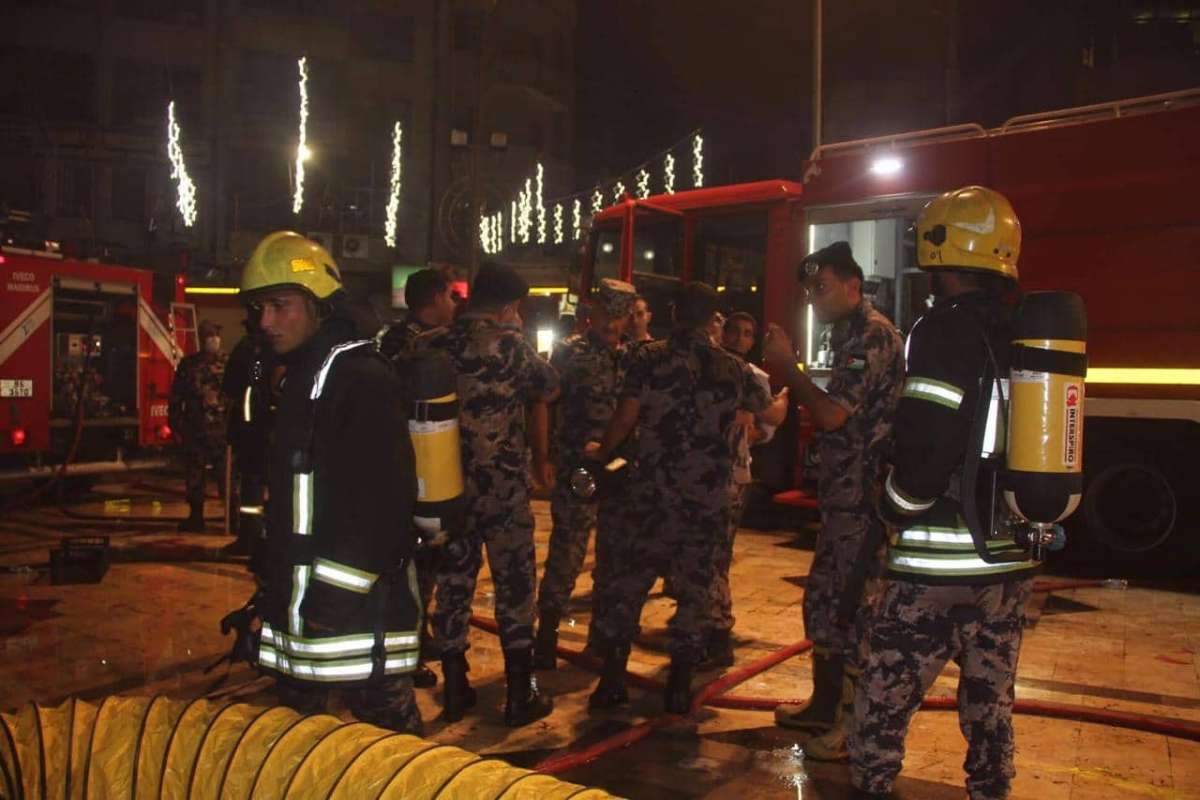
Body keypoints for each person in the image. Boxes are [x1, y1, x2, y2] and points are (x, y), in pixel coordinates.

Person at [850, 187, 1039, 800]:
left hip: (936, 565)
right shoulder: (1024, 329)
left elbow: (927, 449)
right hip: (1008, 562)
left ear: (939, 250)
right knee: (990, 706)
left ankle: (871, 788)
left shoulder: (941, 331)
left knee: (883, 695)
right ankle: (992, 790)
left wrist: (890, 508)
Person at [239, 231, 423, 733]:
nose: (266, 322)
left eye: (280, 306)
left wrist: (331, 599)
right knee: (303, 754)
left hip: (355, 617)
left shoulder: (359, 375)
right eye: (260, 308)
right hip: (306, 614)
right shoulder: (306, 373)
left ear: (319, 304)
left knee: (395, 758)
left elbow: (380, 504)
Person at [585, 282, 780, 713]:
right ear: (713, 320)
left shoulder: (646, 357)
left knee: (630, 585)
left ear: (674, 313)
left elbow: (626, 415)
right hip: (705, 499)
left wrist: (604, 451)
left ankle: (613, 680)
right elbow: (766, 412)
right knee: (694, 591)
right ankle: (678, 685)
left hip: (651, 493)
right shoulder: (733, 368)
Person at [762, 241, 905, 760]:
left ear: (853, 285)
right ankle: (824, 706)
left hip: (864, 502)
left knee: (854, 609)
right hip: (842, 498)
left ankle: (854, 727)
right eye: (809, 290)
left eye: (822, 288)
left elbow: (831, 416)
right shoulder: (845, 333)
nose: (814, 299)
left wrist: (787, 367)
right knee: (824, 602)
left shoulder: (872, 336)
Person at [421, 262, 560, 727]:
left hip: (446, 490)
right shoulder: (514, 349)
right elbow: (549, 389)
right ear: (508, 307)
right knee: (515, 584)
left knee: (453, 583)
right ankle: (521, 693)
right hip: (502, 492)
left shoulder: (428, 346)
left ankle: (456, 686)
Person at [534, 278, 636, 670]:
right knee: (568, 551)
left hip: (620, 469)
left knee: (615, 557)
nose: (611, 324)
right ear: (592, 312)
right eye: (606, 314)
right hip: (579, 466)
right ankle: (547, 635)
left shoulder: (634, 358)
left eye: (619, 316)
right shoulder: (568, 353)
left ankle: (602, 641)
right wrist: (542, 456)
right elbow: (544, 402)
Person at [376, 266, 459, 690]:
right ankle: (401, 654)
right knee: (406, 566)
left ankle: (417, 636)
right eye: (450, 296)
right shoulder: (404, 343)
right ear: (434, 299)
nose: (454, 304)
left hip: (425, 467)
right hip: (408, 468)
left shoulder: (409, 340)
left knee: (425, 564)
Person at [705, 312, 786, 667]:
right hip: (711, 475)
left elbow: (763, 430)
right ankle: (712, 629)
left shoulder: (754, 377)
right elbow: (771, 416)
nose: (739, 338)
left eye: (747, 333)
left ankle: (716, 632)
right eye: (733, 331)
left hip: (731, 474)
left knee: (715, 557)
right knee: (708, 558)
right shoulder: (717, 370)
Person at [220, 315, 275, 559]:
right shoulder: (280, 347)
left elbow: (230, 387)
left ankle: (250, 538)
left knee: (252, 485)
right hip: (273, 430)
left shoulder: (247, 351)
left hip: (252, 431)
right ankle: (266, 537)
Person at [169, 319, 229, 532]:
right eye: (208, 335)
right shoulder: (189, 364)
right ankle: (196, 518)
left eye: (215, 334)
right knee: (195, 475)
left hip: (222, 430)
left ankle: (233, 519)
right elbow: (176, 396)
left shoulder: (228, 362)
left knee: (227, 475)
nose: (213, 339)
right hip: (196, 429)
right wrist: (175, 423)